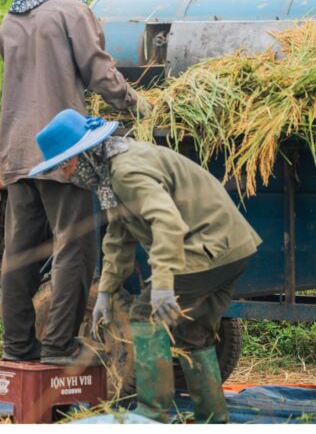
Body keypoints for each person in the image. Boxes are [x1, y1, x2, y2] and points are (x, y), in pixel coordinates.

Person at [30, 108, 260, 423]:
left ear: (83, 155)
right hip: (232, 249)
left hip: (205, 247)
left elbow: (166, 222)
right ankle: (213, 420)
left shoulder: (125, 172)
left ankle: (153, 414)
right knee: (193, 334)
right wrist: (106, 291)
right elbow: (119, 234)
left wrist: (164, 284)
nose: (66, 174)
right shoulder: (109, 173)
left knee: (143, 314)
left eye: (65, 164)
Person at [0, 0, 147, 365]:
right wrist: (136, 101)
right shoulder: (70, 10)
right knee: (75, 246)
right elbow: (100, 72)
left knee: (21, 253)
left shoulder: (13, 20)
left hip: (16, 153)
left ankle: (18, 348)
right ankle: (59, 347)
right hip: (62, 152)